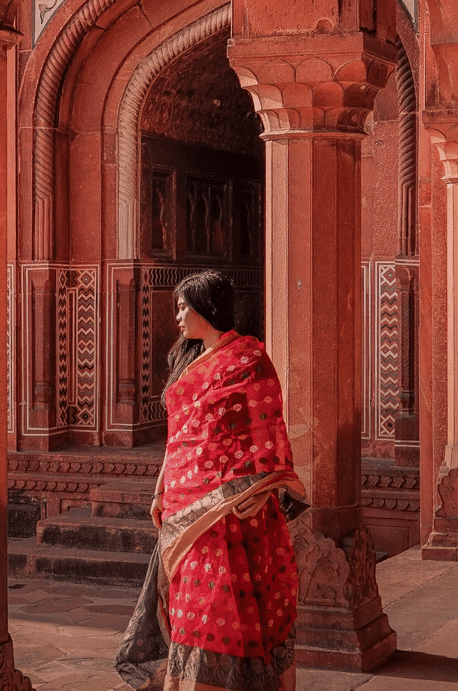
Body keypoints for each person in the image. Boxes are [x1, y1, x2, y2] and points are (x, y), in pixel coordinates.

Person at [116, 270, 306, 691]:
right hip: (187, 503)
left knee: (232, 606)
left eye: (184, 306)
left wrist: (262, 487)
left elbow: (266, 426)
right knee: (193, 606)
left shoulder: (249, 360)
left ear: (208, 306)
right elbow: (179, 434)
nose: (178, 316)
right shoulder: (186, 361)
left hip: (237, 508)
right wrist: (160, 488)